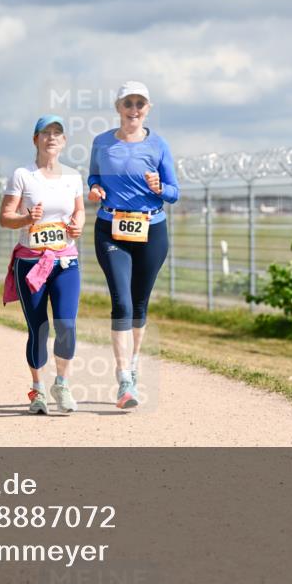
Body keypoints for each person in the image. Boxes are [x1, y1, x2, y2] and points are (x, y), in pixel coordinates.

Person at [88, 81, 179, 409]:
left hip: (151, 230)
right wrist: (95, 189)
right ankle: (124, 378)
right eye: (129, 103)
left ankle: (135, 361)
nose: (134, 109)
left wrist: (159, 187)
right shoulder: (101, 143)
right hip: (111, 229)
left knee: (139, 305)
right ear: (118, 107)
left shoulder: (159, 145)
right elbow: (93, 178)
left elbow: (174, 192)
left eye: (140, 103)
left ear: (148, 109)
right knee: (122, 303)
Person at [1, 115, 85, 415]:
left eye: (57, 133)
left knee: (67, 326)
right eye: (45, 133)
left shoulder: (73, 177)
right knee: (38, 328)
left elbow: (79, 212)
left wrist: (77, 226)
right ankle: (37, 391)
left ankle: (61, 384)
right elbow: (5, 217)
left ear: (64, 142)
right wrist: (27, 219)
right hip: (31, 263)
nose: (51, 138)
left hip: (65, 260)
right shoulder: (22, 175)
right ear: (35, 139)